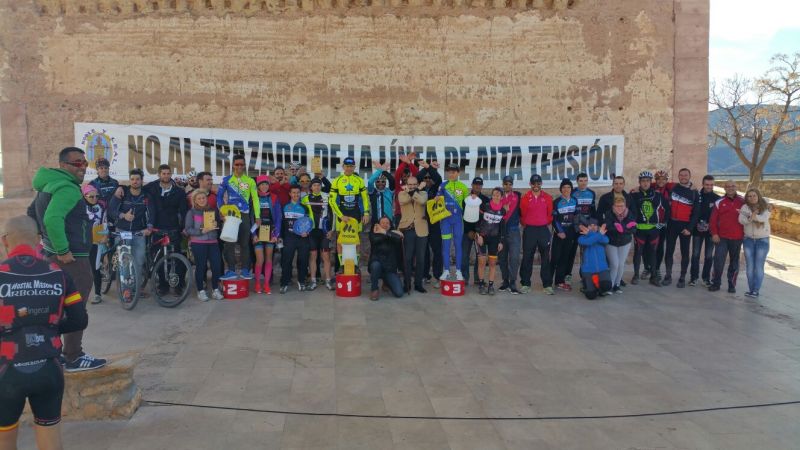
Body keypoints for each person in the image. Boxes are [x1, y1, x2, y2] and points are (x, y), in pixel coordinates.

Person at [0, 215, 88, 450]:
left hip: (6, 369)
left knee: (4, 440)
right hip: (48, 367)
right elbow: (80, 319)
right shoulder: (58, 273)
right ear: (39, 239)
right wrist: (48, 328)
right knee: (51, 441)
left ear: (5, 240)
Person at [28, 147, 106, 372]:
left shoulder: (47, 186)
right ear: (63, 165)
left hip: (51, 255)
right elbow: (52, 219)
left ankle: (54, 353)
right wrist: (62, 249)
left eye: (84, 163)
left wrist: (46, 243)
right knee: (76, 308)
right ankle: (74, 356)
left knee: (56, 306)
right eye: (77, 163)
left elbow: (31, 214)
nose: (83, 167)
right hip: (73, 258)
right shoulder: (67, 188)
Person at [109, 168, 157, 301]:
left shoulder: (146, 196)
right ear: (129, 180)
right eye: (132, 179)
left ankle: (135, 288)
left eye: (137, 179)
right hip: (123, 231)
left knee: (139, 260)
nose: (135, 181)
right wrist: (123, 215)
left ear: (142, 181)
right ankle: (126, 290)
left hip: (138, 232)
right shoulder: (122, 193)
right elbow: (111, 210)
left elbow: (151, 212)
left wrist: (149, 227)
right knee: (125, 261)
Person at [143, 164, 189, 295]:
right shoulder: (151, 187)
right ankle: (163, 285)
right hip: (156, 229)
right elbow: (136, 187)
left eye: (168, 173)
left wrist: (184, 227)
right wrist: (121, 188)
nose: (166, 176)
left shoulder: (179, 191)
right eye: (163, 173)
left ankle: (179, 285)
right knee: (158, 258)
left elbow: (184, 211)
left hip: (174, 228)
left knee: (178, 258)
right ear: (159, 174)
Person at [218, 154, 260, 280]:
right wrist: (222, 210)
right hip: (231, 215)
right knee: (229, 243)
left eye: (242, 164)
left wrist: (257, 216)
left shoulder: (250, 181)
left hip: (245, 214)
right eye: (237, 164)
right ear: (233, 165)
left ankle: (245, 270)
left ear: (245, 165)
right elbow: (219, 197)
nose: (239, 167)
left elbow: (255, 199)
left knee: (245, 243)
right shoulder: (226, 180)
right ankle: (231, 270)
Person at [329, 157, 370, 269]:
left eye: (351, 166)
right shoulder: (337, 180)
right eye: (347, 166)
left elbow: (365, 198)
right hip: (342, 213)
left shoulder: (359, 180)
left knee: (357, 240)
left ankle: (355, 266)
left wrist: (366, 213)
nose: (349, 168)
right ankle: (342, 266)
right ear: (343, 167)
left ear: (354, 167)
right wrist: (341, 215)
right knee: (340, 241)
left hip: (356, 214)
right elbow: (331, 200)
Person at [630, 171, 669, 287]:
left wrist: (663, 223)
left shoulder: (658, 195)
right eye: (643, 181)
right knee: (638, 253)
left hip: (653, 230)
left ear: (651, 182)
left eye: (647, 181)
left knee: (653, 253)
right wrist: (632, 224)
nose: (645, 183)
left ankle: (653, 277)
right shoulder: (634, 195)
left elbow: (667, 209)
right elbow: (628, 210)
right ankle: (636, 275)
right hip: (639, 230)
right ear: (639, 182)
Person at [184, 189, 224, 301]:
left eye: (203, 198)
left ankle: (215, 290)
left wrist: (217, 224)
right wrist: (201, 231)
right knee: (201, 267)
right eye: (199, 198)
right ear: (195, 200)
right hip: (198, 243)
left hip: (213, 242)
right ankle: (200, 291)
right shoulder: (191, 212)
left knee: (216, 266)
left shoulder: (213, 210)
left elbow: (218, 225)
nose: (202, 200)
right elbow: (188, 229)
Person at [519, 174, 554, 295]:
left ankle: (547, 285)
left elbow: (550, 215)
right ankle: (525, 284)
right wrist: (530, 223)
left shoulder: (548, 197)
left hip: (543, 229)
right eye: (533, 183)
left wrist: (542, 222)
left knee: (545, 257)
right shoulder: (525, 198)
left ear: (541, 184)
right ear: (530, 184)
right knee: (527, 257)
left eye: (538, 183)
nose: (536, 186)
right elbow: (522, 215)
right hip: (530, 230)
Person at [662, 168, 696, 287]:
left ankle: (682, 277)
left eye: (685, 175)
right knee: (669, 251)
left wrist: (690, 228)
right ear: (678, 176)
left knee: (685, 253)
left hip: (685, 226)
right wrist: (636, 188)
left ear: (689, 176)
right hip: (672, 224)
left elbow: (696, 212)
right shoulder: (673, 187)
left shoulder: (694, 192)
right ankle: (668, 275)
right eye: (681, 175)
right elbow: (659, 183)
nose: (683, 177)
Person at [709, 181, 745, 293]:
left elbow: (756, 205)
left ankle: (731, 285)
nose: (730, 188)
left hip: (737, 237)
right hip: (722, 238)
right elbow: (713, 220)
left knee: (734, 263)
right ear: (724, 188)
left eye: (733, 186)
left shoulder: (743, 201)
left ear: (736, 187)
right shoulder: (719, 202)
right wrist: (714, 234)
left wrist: (767, 207)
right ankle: (716, 283)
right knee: (718, 261)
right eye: (728, 186)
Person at [437, 163, 469, 280]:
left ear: (458, 173)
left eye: (454, 172)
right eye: (449, 172)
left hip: (458, 221)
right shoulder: (443, 185)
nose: (451, 174)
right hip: (445, 220)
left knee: (458, 245)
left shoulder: (463, 187)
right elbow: (437, 199)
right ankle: (446, 270)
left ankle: (458, 271)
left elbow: (468, 204)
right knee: (446, 245)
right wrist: (437, 198)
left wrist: (473, 199)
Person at [398, 176, 429, 294]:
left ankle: (418, 284)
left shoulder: (423, 193)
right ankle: (407, 284)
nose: (412, 186)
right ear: (406, 184)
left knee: (421, 258)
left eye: (414, 184)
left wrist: (417, 191)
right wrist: (416, 190)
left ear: (417, 184)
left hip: (421, 229)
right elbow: (404, 201)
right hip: (407, 229)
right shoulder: (402, 194)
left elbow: (422, 201)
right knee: (408, 258)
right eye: (410, 184)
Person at [688, 175, 720, 287]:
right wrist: (695, 224)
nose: (709, 187)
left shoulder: (717, 198)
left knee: (708, 256)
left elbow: (719, 216)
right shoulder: (696, 195)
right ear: (703, 184)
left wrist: (711, 226)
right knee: (695, 255)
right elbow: (692, 212)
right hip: (697, 231)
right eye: (707, 184)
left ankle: (706, 278)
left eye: (711, 185)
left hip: (711, 232)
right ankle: (693, 278)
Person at [280, 185, 312, 294]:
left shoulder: (304, 207)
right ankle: (284, 283)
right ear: (290, 194)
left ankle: (301, 281)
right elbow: (281, 223)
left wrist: (307, 232)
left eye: (298, 193)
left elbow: (308, 222)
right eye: (293, 193)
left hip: (302, 238)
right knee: (286, 261)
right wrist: (280, 237)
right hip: (289, 237)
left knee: (303, 260)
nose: (296, 195)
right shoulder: (284, 206)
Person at [252, 176, 282, 294]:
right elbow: (251, 217)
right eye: (262, 184)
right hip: (257, 231)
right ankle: (257, 284)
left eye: (266, 184)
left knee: (269, 259)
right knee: (260, 259)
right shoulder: (254, 197)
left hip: (270, 231)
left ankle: (266, 284)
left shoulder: (274, 197)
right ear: (258, 186)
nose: (264, 186)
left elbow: (278, 217)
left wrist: (276, 234)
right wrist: (253, 234)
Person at [303, 178, 334, 291]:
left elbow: (333, 214)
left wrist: (332, 230)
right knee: (313, 256)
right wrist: (303, 229)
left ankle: (328, 281)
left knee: (326, 256)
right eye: (314, 185)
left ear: (321, 186)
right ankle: (313, 281)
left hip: (324, 231)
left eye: (318, 185)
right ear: (311, 187)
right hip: (311, 232)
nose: (317, 187)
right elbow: (302, 216)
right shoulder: (305, 199)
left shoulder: (327, 197)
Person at [739, 188, 770, 298]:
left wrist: (752, 216)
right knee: (750, 266)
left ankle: (756, 290)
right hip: (748, 240)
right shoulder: (745, 207)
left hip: (762, 240)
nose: (752, 198)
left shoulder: (765, 206)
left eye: (754, 195)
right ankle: (751, 289)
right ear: (747, 198)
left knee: (758, 266)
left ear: (758, 196)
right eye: (749, 196)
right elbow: (741, 220)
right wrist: (750, 217)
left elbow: (763, 218)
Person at [474, 188, 506, 295]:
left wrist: (501, 241)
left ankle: (491, 286)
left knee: (492, 263)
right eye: (494, 195)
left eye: (498, 195)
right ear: (492, 196)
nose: (496, 197)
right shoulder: (485, 206)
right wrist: (478, 235)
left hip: (494, 239)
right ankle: (481, 284)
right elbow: (477, 221)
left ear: (501, 197)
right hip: (482, 237)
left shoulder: (503, 211)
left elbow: (502, 227)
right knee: (482, 262)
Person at [418, 161, 444, 287]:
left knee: (437, 250)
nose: (428, 179)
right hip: (422, 223)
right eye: (425, 178)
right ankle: (425, 275)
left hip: (435, 223)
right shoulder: (419, 189)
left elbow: (438, 178)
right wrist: (425, 168)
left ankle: (438, 276)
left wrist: (429, 168)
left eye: (430, 177)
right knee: (424, 251)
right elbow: (417, 177)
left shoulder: (437, 187)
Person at [604, 196, 637, 293]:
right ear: (613, 206)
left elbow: (633, 229)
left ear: (625, 206)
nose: (620, 208)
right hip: (611, 242)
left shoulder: (629, 213)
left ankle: (617, 284)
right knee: (614, 264)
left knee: (621, 264)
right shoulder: (609, 213)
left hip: (624, 242)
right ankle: (610, 285)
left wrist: (624, 228)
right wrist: (617, 228)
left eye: (622, 206)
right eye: (617, 206)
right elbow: (608, 227)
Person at [568, 172, 596, 282]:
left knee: (585, 253)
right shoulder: (572, 192)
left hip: (586, 228)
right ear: (577, 181)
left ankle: (584, 276)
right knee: (571, 252)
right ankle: (568, 275)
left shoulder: (592, 193)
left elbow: (593, 211)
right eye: (581, 181)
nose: (583, 183)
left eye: (585, 180)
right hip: (574, 227)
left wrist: (592, 225)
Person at [550, 178, 578, 291]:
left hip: (570, 234)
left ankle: (559, 282)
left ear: (571, 189)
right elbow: (554, 219)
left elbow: (577, 217)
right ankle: (548, 282)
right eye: (564, 187)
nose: (566, 189)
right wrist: (559, 231)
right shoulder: (556, 202)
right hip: (559, 234)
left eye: (568, 187)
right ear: (561, 189)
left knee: (564, 258)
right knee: (555, 258)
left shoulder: (575, 200)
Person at [368, 216, 405, 300]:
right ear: (378, 224)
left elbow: (399, 239)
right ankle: (374, 289)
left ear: (390, 225)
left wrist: (385, 232)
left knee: (399, 293)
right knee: (375, 265)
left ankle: (386, 282)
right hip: (377, 266)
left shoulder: (393, 234)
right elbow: (375, 240)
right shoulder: (373, 233)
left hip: (389, 269)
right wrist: (390, 233)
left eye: (387, 223)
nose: (385, 224)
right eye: (383, 223)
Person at [82, 184, 108, 305]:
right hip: (81, 242)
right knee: (81, 268)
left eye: (96, 196)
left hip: (95, 241)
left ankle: (97, 294)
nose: (94, 199)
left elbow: (104, 222)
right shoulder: (79, 206)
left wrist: (105, 236)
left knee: (95, 267)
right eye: (91, 196)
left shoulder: (101, 206)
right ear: (84, 196)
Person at [461, 177, 489, 285]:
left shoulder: (486, 200)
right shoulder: (465, 199)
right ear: (472, 185)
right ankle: (464, 278)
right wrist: (468, 231)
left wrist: (481, 233)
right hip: (467, 232)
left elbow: (486, 218)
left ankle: (478, 278)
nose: (477, 186)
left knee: (480, 257)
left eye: (479, 184)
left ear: (482, 186)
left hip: (481, 233)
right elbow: (463, 216)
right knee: (464, 255)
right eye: (475, 184)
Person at [497, 175, 522, 295]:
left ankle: (513, 281)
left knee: (514, 257)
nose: (508, 186)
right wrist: (502, 209)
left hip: (513, 230)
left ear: (512, 185)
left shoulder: (518, 196)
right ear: (503, 184)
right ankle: (505, 281)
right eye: (506, 184)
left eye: (510, 184)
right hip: (500, 231)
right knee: (502, 257)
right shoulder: (498, 197)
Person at [577, 218, 612, 299]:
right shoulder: (581, 238)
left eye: (595, 225)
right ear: (587, 227)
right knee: (591, 295)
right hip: (588, 270)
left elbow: (606, 241)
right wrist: (595, 234)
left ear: (598, 227)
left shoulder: (603, 237)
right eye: (590, 225)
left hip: (602, 268)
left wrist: (591, 234)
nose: (593, 227)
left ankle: (598, 287)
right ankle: (589, 286)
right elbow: (588, 242)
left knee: (606, 285)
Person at [650, 169, 672, 278]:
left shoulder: (670, 189)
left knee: (660, 247)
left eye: (663, 179)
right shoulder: (651, 189)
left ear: (666, 180)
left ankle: (657, 268)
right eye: (658, 179)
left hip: (664, 223)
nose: (661, 181)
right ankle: (648, 268)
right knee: (649, 246)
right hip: (652, 223)